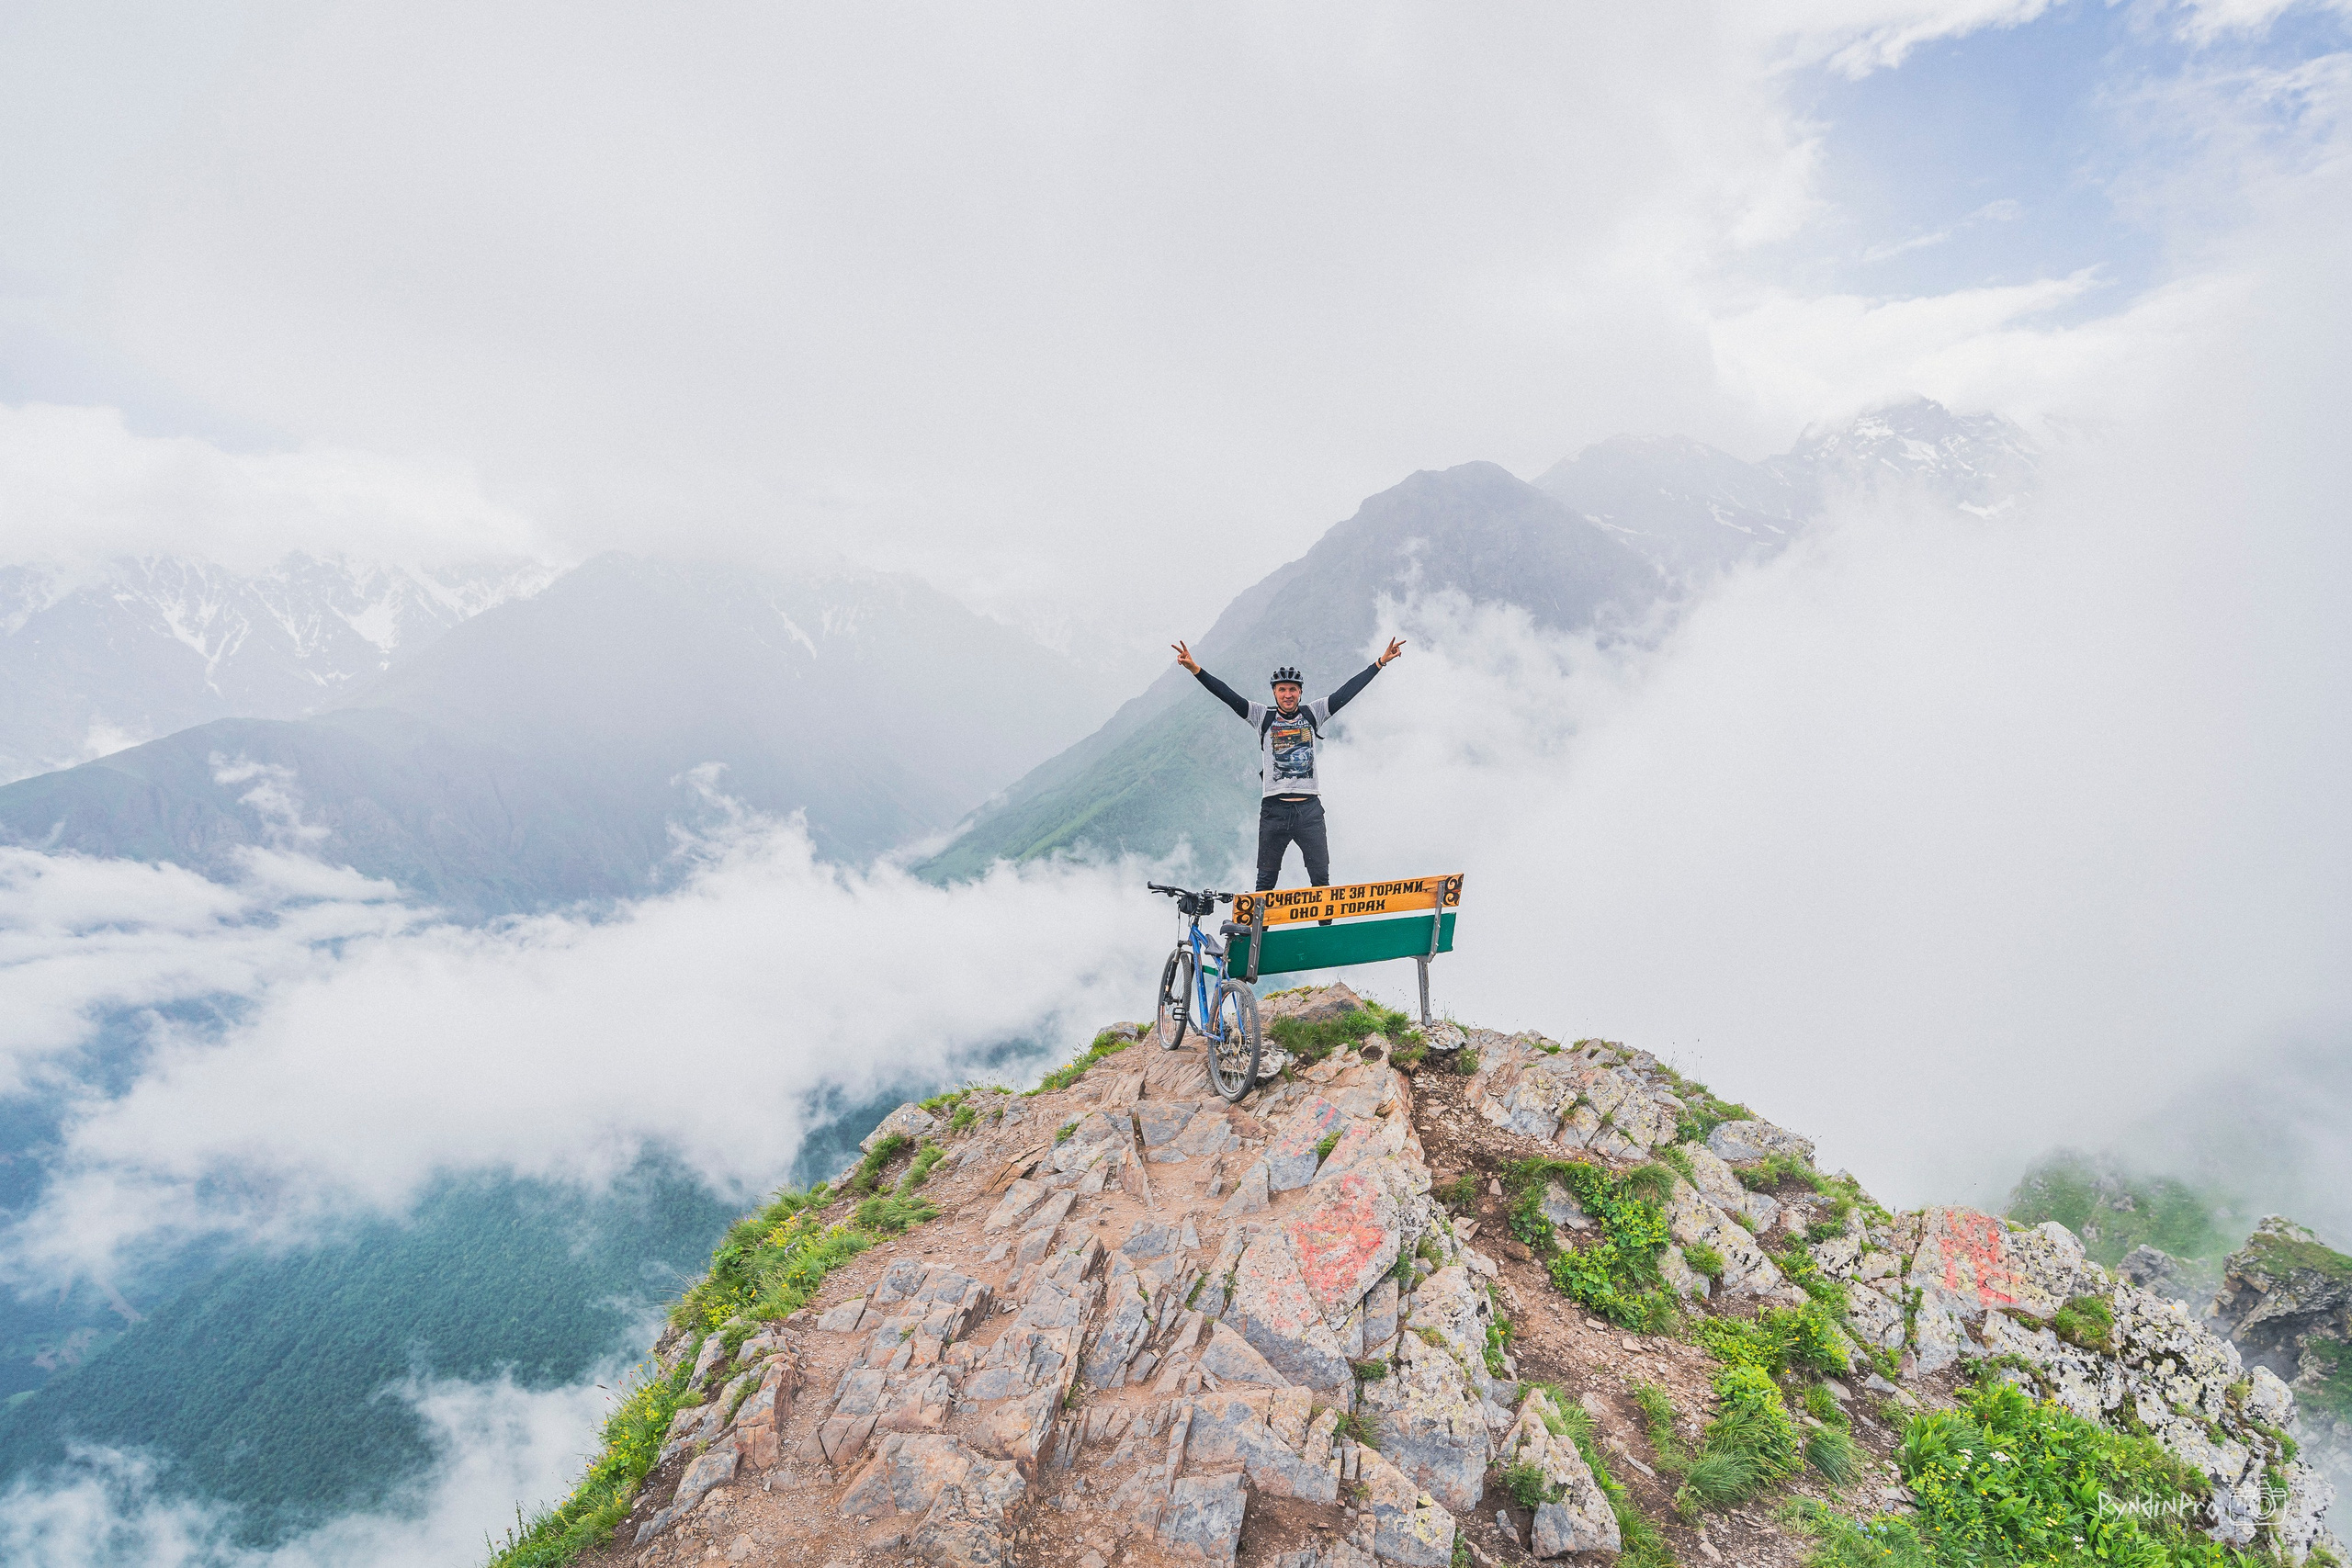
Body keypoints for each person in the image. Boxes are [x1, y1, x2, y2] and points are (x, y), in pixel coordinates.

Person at [1171, 637, 1407, 892]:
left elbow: (1347, 692)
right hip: (1274, 811)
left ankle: (1324, 931)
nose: (1287, 695)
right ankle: (1258, 933)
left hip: (1310, 811)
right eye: (1282, 689)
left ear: (1300, 692)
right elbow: (1227, 695)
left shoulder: (1313, 713)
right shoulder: (1261, 716)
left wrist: (1380, 663)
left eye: (1292, 689)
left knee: (1321, 882)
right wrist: (1196, 670)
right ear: (1274, 692)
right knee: (1265, 883)